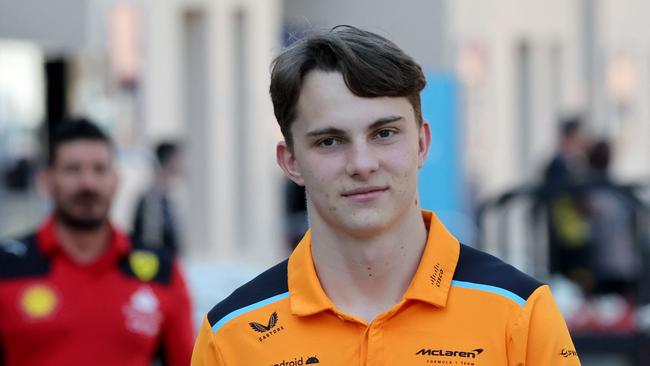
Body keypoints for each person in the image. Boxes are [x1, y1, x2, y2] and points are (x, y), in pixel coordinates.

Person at [191, 26, 580, 365]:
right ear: (291, 161)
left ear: (423, 143)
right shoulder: (232, 335)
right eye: (329, 141)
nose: (362, 163)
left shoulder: (519, 313)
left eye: (384, 134)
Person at [0, 118, 194, 366]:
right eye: (73, 170)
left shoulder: (163, 272)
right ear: (47, 181)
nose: (88, 183)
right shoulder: (6, 268)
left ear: (116, 180)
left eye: (99, 169)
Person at [132, 141, 183, 256]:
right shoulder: (152, 200)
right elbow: (149, 244)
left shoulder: (168, 195)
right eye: (178, 159)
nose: (182, 164)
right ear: (169, 161)